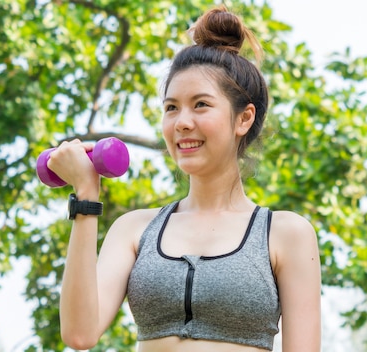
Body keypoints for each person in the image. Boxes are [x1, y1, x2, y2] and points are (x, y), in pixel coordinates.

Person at [47, 5, 321, 352]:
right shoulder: (135, 230)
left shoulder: (285, 233)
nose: (181, 122)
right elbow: (80, 334)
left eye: (201, 105)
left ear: (244, 118)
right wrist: (86, 197)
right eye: (171, 107)